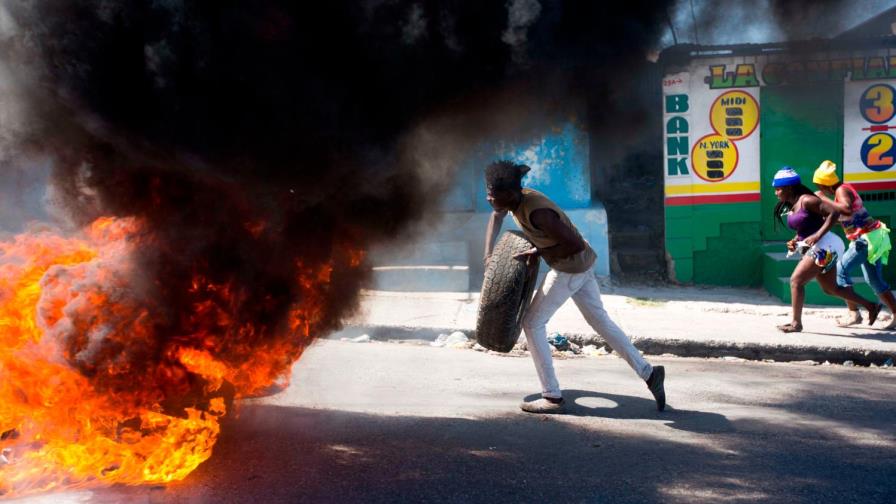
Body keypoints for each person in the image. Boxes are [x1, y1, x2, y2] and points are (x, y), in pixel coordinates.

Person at [482, 160, 665, 414]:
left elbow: (574, 244)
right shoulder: (511, 201)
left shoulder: (537, 212)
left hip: (570, 267)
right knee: (600, 322)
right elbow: (496, 215)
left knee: (532, 323)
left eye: (493, 193)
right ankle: (649, 373)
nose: (489, 198)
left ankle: (552, 396)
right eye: (488, 191)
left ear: (510, 193)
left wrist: (539, 249)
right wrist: (488, 255)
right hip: (580, 263)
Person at [771, 167, 880, 333]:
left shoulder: (808, 200)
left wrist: (816, 236)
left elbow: (834, 213)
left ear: (789, 187)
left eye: (778, 189)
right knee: (830, 289)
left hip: (827, 245)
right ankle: (871, 306)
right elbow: (805, 227)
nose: (776, 193)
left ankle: (796, 323)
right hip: (820, 246)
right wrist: (795, 241)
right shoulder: (793, 204)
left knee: (796, 281)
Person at [812, 160, 895, 330]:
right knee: (874, 280)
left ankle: (853, 314)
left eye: (820, 185)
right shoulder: (842, 191)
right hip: (871, 237)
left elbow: (847, 209)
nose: (819, 189)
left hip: (865, 240)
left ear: (826, 185)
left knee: (841, 271)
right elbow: (846, 216)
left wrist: (822, 199)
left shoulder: (842, 190)